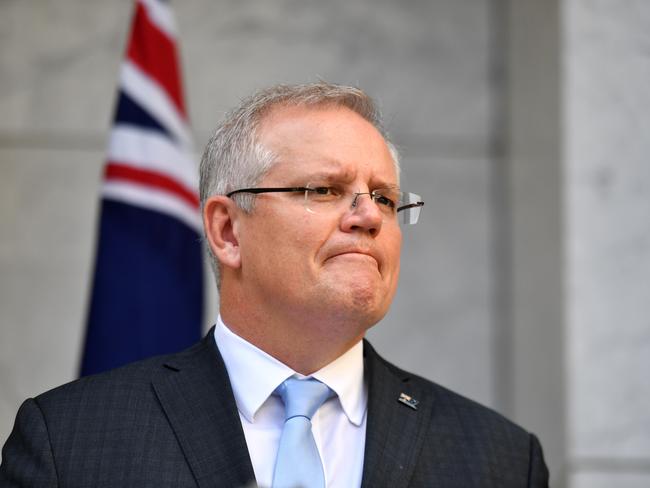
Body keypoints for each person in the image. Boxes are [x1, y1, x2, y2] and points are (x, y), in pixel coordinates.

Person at [0, 82, 548, 487]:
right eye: (325, 189)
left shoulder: (497, 459)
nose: (370, 217)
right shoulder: (69, 441)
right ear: (227, 230)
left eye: (384, 197)